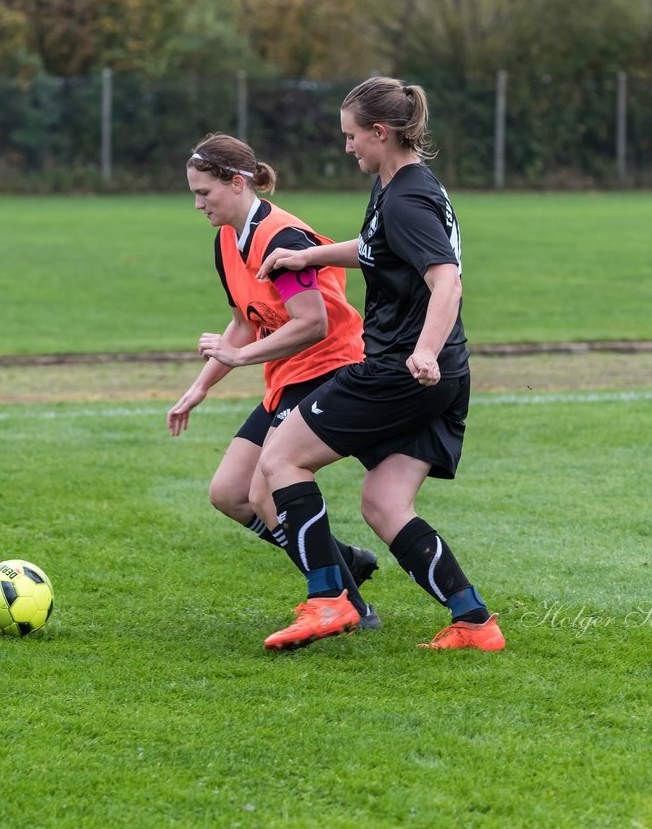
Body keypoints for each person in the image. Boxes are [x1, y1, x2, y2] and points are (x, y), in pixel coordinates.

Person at [254, 77, 504, 652]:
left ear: (380, 132)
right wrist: (309, 255)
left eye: (352, 137)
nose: (348, 149)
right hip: (445, 373)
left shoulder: (408, 198)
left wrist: (421, 350)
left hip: (405, 369)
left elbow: (447, 283)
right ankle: (474, 622)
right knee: (384, 503)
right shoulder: (399, 183)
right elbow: (374, 248)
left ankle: (328, 602)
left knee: (282, 458)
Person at [167, 133, 382, 628]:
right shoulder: (227, 240)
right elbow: (244, 320)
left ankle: (349, 607)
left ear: (237, 183)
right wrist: (200, 387)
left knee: (267, 492)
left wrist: (239, 357)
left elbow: (313, 324)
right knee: (229, 494)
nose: (198, 204)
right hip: (288, 376)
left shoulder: (281, 237)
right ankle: (343, 560)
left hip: (331, 367)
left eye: (205, 193)